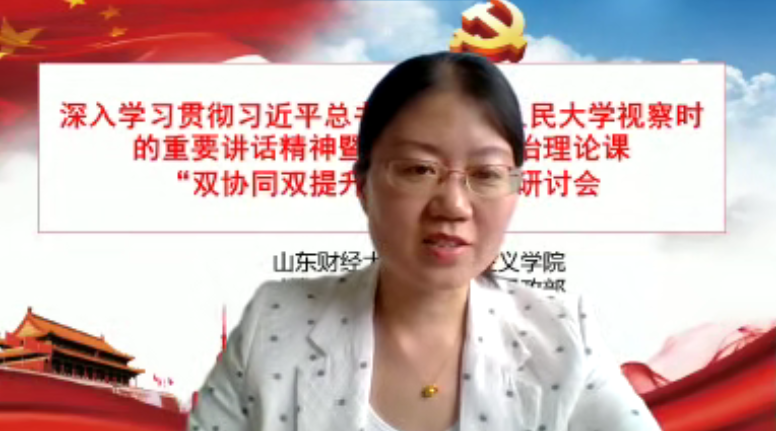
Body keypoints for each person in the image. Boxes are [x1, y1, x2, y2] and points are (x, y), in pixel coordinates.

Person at [187, 52, 662, 431]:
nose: (453, 205)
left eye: (486, 174)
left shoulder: (562, 336)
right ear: (362, 186)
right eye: (418, 169)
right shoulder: (274, 323)